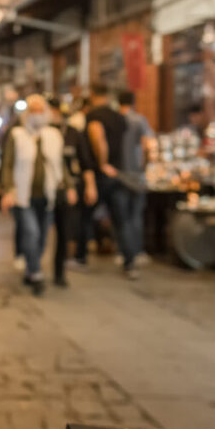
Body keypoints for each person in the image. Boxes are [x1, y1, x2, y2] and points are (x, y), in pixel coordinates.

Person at [0, 95, 67, 296]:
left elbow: (59, 164)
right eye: (33, 110)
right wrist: (8, 189)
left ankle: (31, 268)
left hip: (47, 195)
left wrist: (69, 186)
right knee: (31, 232)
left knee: (43, 237)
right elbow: (8, 164)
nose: (37, 114)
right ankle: (36, 273)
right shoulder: (17, 134)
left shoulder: (53, 135)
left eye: (40, 110)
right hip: (23, 195)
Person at [85, 83, 138, 278]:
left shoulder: (94, 115)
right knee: (122, 220)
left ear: (93, 94)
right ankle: (130, 262)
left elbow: (98, 138)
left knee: (85, 215)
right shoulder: (119, 117)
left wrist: (103, 163)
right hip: (118, 173)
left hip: (102, 175)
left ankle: (80, 256)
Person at [48, 97, 95, 287]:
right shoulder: (41, 133)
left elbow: (85, 162)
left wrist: (90, 186)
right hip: (45, 189)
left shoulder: (73, 133)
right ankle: (32, 267)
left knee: (65, 230)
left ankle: (59, 272)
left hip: (68, 189)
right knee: (39, 231)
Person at [117, 90, 154, 262]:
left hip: (118, 173)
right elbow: (148, 144)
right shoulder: (139, 120)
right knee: (135, 215)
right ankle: (137, 252)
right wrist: (145, 165)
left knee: (121, 216)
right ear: (133, 102)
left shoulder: (115, 120)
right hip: (136, 174)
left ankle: (122, 252)